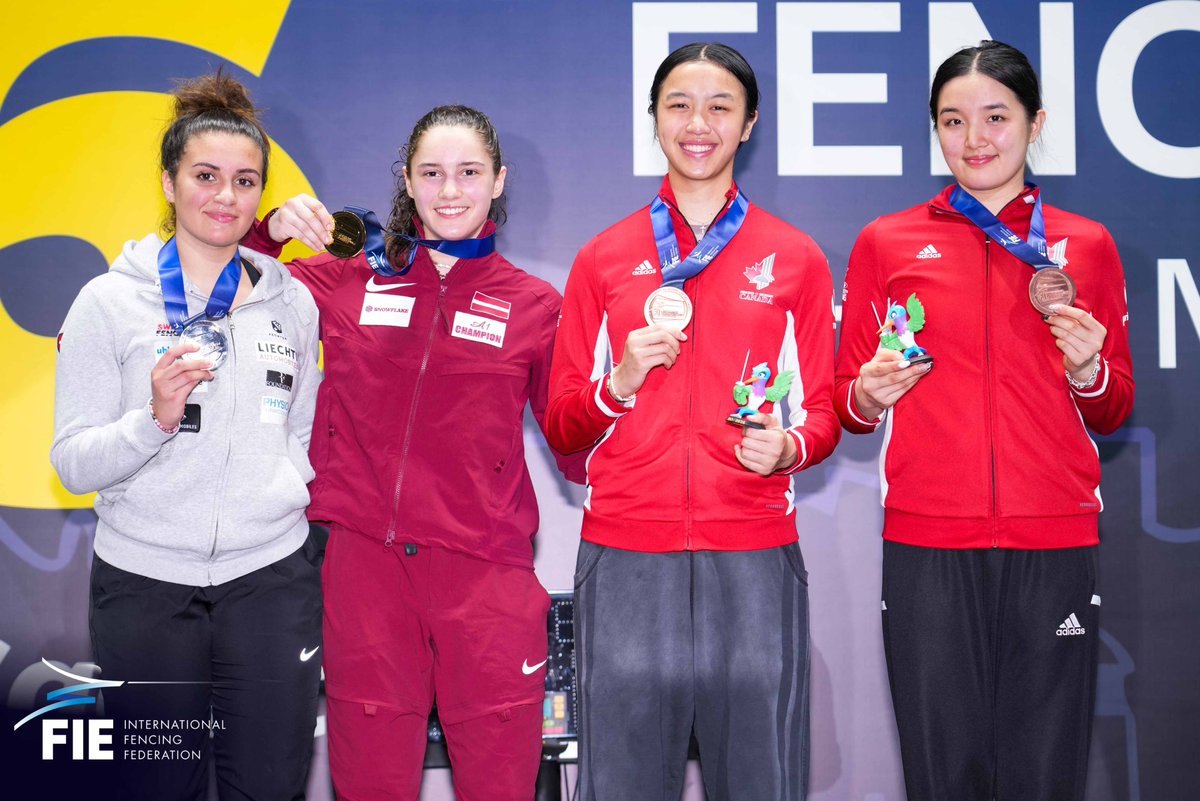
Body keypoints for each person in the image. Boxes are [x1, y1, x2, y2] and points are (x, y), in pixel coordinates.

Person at [241, 104, 582, 801]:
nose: (450, 191)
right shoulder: (346, 279)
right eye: (431, 173)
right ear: (406, 179)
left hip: (485, 576)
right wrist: (266, 232)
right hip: (366, 571)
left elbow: (575, 445)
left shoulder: (537, 305)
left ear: (498, 180)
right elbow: (225, 297)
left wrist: (626, 389)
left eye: (469, 172)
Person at [833, 40, 1135, 801]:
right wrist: (869, 393)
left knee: (1045, 774)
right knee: (943, 775)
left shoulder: (1087, 245)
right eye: (953, 120)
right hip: (929, 541)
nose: (975, 139)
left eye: (996, 117)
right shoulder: (887, 241)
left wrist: (1089, 370)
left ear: (1036, 123)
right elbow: (848, 408)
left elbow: (1114, 406)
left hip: (1052, 538)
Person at [544, 42, 840, 801]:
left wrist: (789, 448)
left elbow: (824, 414)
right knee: (622, 784)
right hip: (626, 553)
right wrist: (618, 384)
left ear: (750, 124)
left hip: (753, 555)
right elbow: (563, 426)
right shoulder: (603, 258)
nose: (697, 123)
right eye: (678, 105)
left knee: (763, 781)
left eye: (719, 107)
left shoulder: (796, 257)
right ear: (653, 118)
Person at [51, 71, 323, 800]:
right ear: (170, 183)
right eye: (205, 176)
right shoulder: (108, 301)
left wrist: (276, 494)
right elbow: (72, 461)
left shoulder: (293, 303)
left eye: (244, 181)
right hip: (145, 585)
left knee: (270, 785)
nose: (225, 196)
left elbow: (297, 433)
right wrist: (154, 420)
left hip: (269, 582)